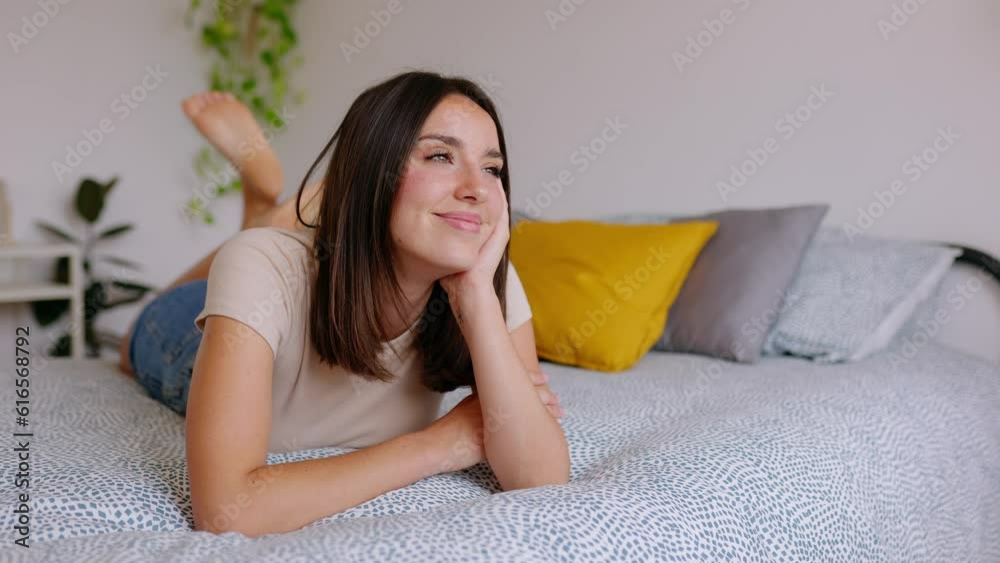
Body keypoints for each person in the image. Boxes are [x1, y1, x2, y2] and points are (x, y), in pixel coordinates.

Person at [116, 71, 570, 537]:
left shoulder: (487, 277)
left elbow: (541, 478)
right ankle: (268, 214)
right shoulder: (263, 269)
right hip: (213, 332)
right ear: (376, 174)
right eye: (440, 156)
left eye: (493, 168)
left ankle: (272, 212)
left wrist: (475, 300)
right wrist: (440, 444)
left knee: (255, 254)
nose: (477, 188)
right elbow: (228, 510)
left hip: (288, 277)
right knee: (133, 343)